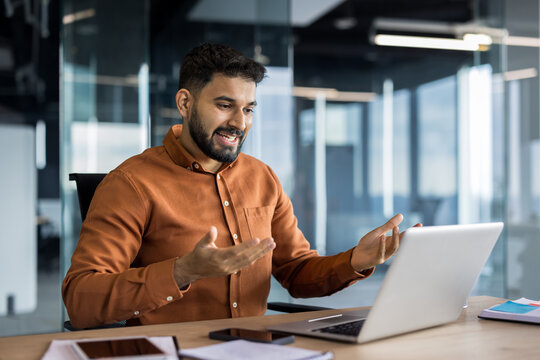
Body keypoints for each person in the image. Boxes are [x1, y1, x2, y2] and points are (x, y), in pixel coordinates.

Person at [62, 43, 411, 329]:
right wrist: (182, 272)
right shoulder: (132, 183)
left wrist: (355, 260)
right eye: (225, 105)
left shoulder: (262, 178)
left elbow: (297, 272)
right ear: (185, 103)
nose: (239, 123)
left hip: (255, 350)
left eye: (248, 109)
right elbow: (80, 299)